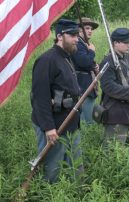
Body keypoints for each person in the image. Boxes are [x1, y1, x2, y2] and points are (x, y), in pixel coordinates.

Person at [30, 19, 83, 183]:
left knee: (75, 167)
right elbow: (40, 98)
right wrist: (49, 128)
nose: (77, 39)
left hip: (70, 122)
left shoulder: (67, 57)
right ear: (60, 36)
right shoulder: (47, 60)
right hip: (54, 125)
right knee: (53, 170)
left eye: (77, 35)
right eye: (72, 35)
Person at [99, 28, 129, 146]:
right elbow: (108, 86)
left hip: (128, 112)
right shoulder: (108, 61)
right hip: (115, 113)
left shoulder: (124, 59)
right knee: (113, 150)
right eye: (126, 42)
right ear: (115, 43)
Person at [71, 17, 99, 124]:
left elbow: (87, 64)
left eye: (91, 29)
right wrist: (91, 51)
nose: (90, 31)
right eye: (87, 28)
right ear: (79, 30)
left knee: (88, 118)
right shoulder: (78, 44)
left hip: (86, 85)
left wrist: (95, 66)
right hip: (83, 86)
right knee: (86, 120)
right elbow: (83, 62)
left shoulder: (83, 43)